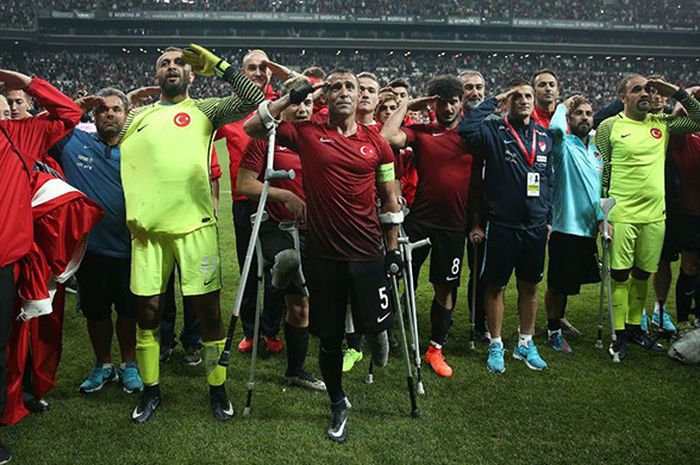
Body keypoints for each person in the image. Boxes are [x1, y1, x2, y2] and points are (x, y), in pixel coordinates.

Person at [244, 68, 402, 443]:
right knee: (330, 339)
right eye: (335, 88)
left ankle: (375, 334)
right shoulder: (307, 133)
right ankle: (337, 400)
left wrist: (392, 248)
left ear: (361, 96)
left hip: (367, 253)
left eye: (350, 87)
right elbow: (254, 126)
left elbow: (390, 199)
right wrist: (294, 96)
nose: (345, 93)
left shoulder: (377, 143)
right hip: (323, 254)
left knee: (375, 323)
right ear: (325, 98)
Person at [119, 44, 264, 423]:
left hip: (195, 228)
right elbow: (105, 132)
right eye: (164, 63)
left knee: (209, 312)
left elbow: (254, 98)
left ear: (190, 74)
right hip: (148, 233)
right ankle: (151, 392)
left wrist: (219, 64)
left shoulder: (205, 110)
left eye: (179, 62)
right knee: (148, 311)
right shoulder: (137, 115)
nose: (172, 67)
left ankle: (217, 389)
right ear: (155, 76)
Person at [0, 68, 83, 464]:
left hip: (7, 263)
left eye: (11, 104)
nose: (8, 109)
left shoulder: (20, 135)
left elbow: (68, 113)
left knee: (6, 344)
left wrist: (25, 79)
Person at [595, 75, 700, 360]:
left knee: (643, 273)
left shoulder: (662, 124)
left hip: (655, 215)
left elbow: (698, 119)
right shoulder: (609, 127)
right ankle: (618, 334)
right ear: (622, 96)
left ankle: (633, 328)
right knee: (620, 275)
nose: (644, 93)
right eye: (636, 89)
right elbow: (601, 173)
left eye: (648, 89)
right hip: (621, 214)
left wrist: (676, 92)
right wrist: (602, 216)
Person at [48, 88, 144, 395]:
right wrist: (75, 106)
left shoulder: (139, 148)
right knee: (96, 312)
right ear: (94, 115)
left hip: (132, 247)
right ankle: (103, 364)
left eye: (117, 109)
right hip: (91, 250)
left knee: (129, 312)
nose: (110, 114)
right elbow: (52, 123)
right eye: (103, 109)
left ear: (127, 114)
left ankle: (129, 364)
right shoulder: (75, 142)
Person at [381, 75, 478, 378]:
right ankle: (382, 333)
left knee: (445, 287)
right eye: (441, 101)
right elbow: (385, 137)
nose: (448, 107)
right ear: (432, 103)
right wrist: (408, 104)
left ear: (461, 102)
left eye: (453, 101)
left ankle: (435, 348)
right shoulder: (422, 132)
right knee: (395, 276)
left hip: (453, 225)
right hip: (420, 221)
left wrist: (475, 223)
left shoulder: (473, 135)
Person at [459, 78, 554, 374]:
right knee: (496, 286)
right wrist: (495, 100)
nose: (524, 100)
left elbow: (549, 179)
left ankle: (525, 342)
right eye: (517, 96)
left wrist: (548, 217)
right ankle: (496, 343)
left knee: (531, 286)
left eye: (527, 95)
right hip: (502, 224)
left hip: (535, 225)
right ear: (508, 102)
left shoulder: (544, 135)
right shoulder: (492, 129)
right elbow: (466, 129)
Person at [237, 78, 325, 391]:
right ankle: (295, 369)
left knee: (312, 305)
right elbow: (245, 184)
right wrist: (284, 195)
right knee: (300, 303)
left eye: (308, 103)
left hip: (318, 229)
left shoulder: (319, 137)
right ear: (285, 104)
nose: (302, 109)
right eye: (296, 103)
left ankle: (296, 367)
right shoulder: (267, 137)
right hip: (279, 227)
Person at [215, 49, 284, 354]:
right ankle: (251, 331)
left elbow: (307, 82)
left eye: (264, 67)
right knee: (248, 268)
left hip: (277, 200)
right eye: (252, 68)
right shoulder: (229, 111)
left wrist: (276, 68)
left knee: (277, 270)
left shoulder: (284, 104)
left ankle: (271, 330)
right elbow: (197, 138)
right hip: (244, 200)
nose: (259, 72)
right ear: (241, 73)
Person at [544, 95, 603, 355]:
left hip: (588, 229)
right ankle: (552, 331)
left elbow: (598, 189)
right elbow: (554, 128)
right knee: (557, 284)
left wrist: (602, 219)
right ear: (570, 118)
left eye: (589, 114)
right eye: (579, 113)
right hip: (565, 228)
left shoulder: (597, 151)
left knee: (569, 283)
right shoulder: (563, 144)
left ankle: (560, 321)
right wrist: (563, 105)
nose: (585, 118)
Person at [458, 69, 490, 344]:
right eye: (468, 87)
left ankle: (479, 321)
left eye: (479, 87)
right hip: (447, 206)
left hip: (478, 205)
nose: (475, 92)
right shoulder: (450, 120)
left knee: (479, 268)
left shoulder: (492, 123)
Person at [669, 90, 700, 335]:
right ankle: (681, 321)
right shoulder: (685, 137)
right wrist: (684, 98)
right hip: (690, 215)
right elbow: (673, 122)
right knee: (689, 267)